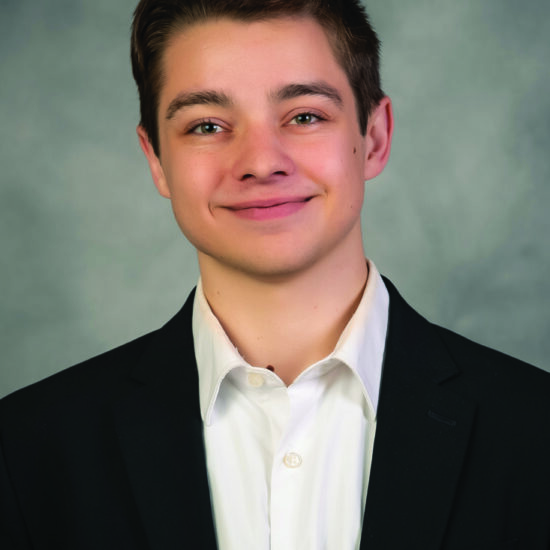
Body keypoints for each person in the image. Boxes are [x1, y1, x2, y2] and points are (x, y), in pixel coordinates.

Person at [1, 0, 549, 548]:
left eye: (305, 116)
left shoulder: (535, 431)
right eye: (207, 125)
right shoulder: (25, 449)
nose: (261, 162)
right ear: (156, 160)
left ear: (375, 138)